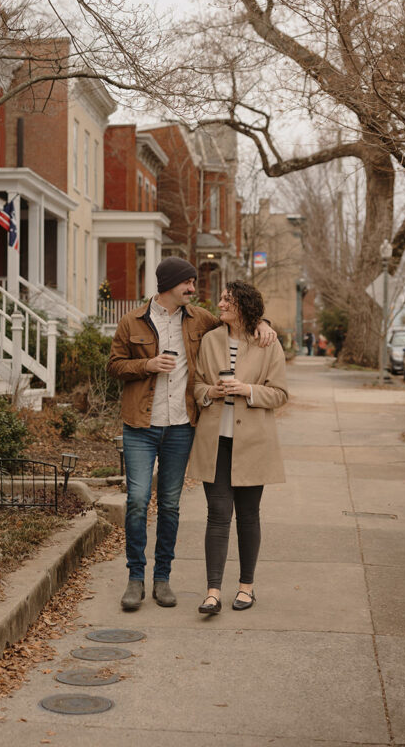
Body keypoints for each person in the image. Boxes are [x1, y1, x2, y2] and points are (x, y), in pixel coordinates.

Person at [107, 257, 276, 612]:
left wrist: (263, 322)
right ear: (169, 284)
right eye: (188, 283)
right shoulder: (131, 321)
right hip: (140, 426)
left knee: (169, 505)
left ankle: (162, 579)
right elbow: (114, 366)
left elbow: (240, 322)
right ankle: (135, 578)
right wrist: (147, 365)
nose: (193, 288)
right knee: (137, 502)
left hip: (182, 427)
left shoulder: (200, 319)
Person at [191, 280, 287, 615]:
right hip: (215, 442)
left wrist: (247, 389)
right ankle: (213, 592)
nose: (220, 304)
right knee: (217, 515)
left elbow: (279, 393)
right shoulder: (210, 340)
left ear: (243, 307)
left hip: (253, 443)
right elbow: (197, 384)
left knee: (248, 515)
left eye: (227, 300)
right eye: (220, 299)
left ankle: (246, 587)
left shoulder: (267, 343)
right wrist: (210, 393)